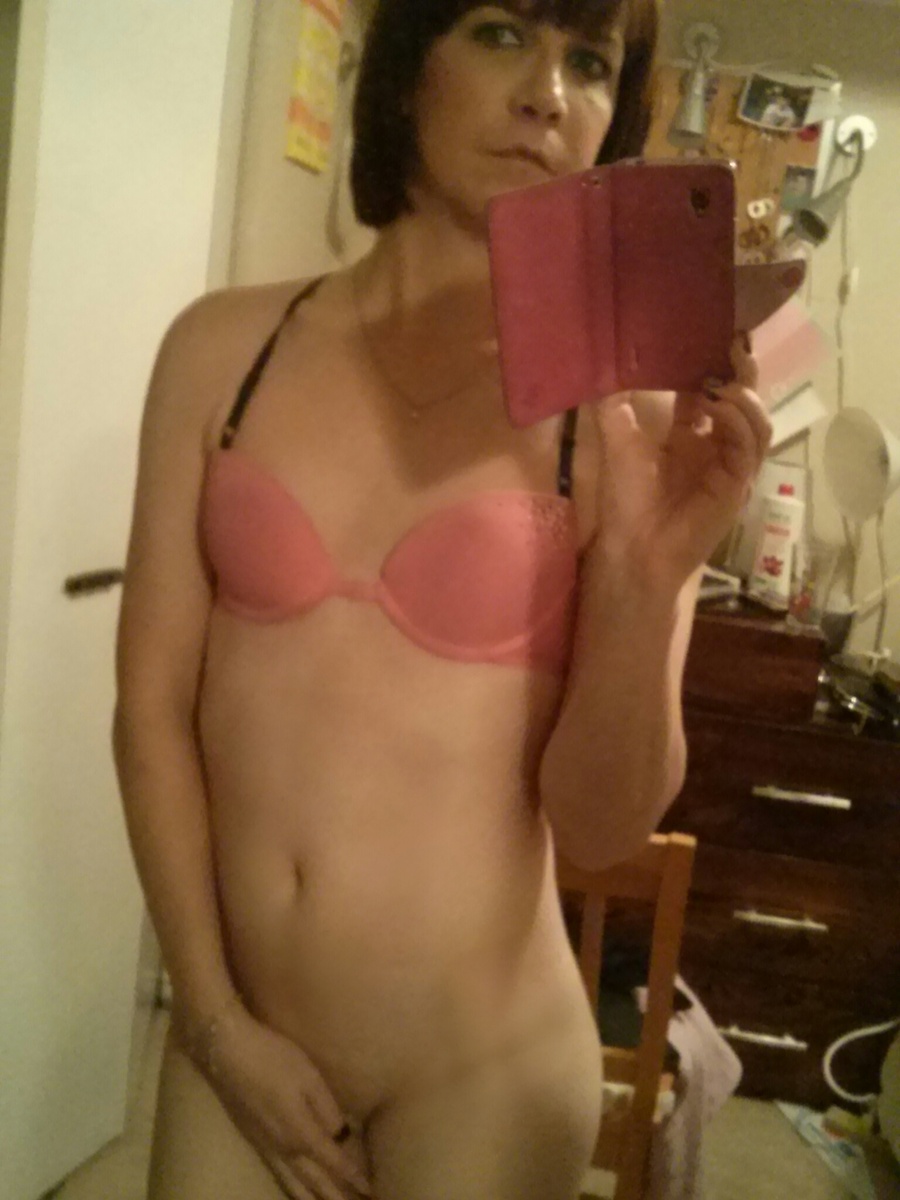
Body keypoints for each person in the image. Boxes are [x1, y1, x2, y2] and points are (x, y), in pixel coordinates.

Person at [113, 1, 771, 1198]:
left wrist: (642, 578)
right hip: (241, 1035)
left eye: (589, 61)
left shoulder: (630, 424)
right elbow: (151, 709)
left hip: (483, 1070)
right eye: (502, 32)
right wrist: (209, 1016)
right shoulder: (220, 351)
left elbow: (602, 830)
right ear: (412, 63)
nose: (547, 95)